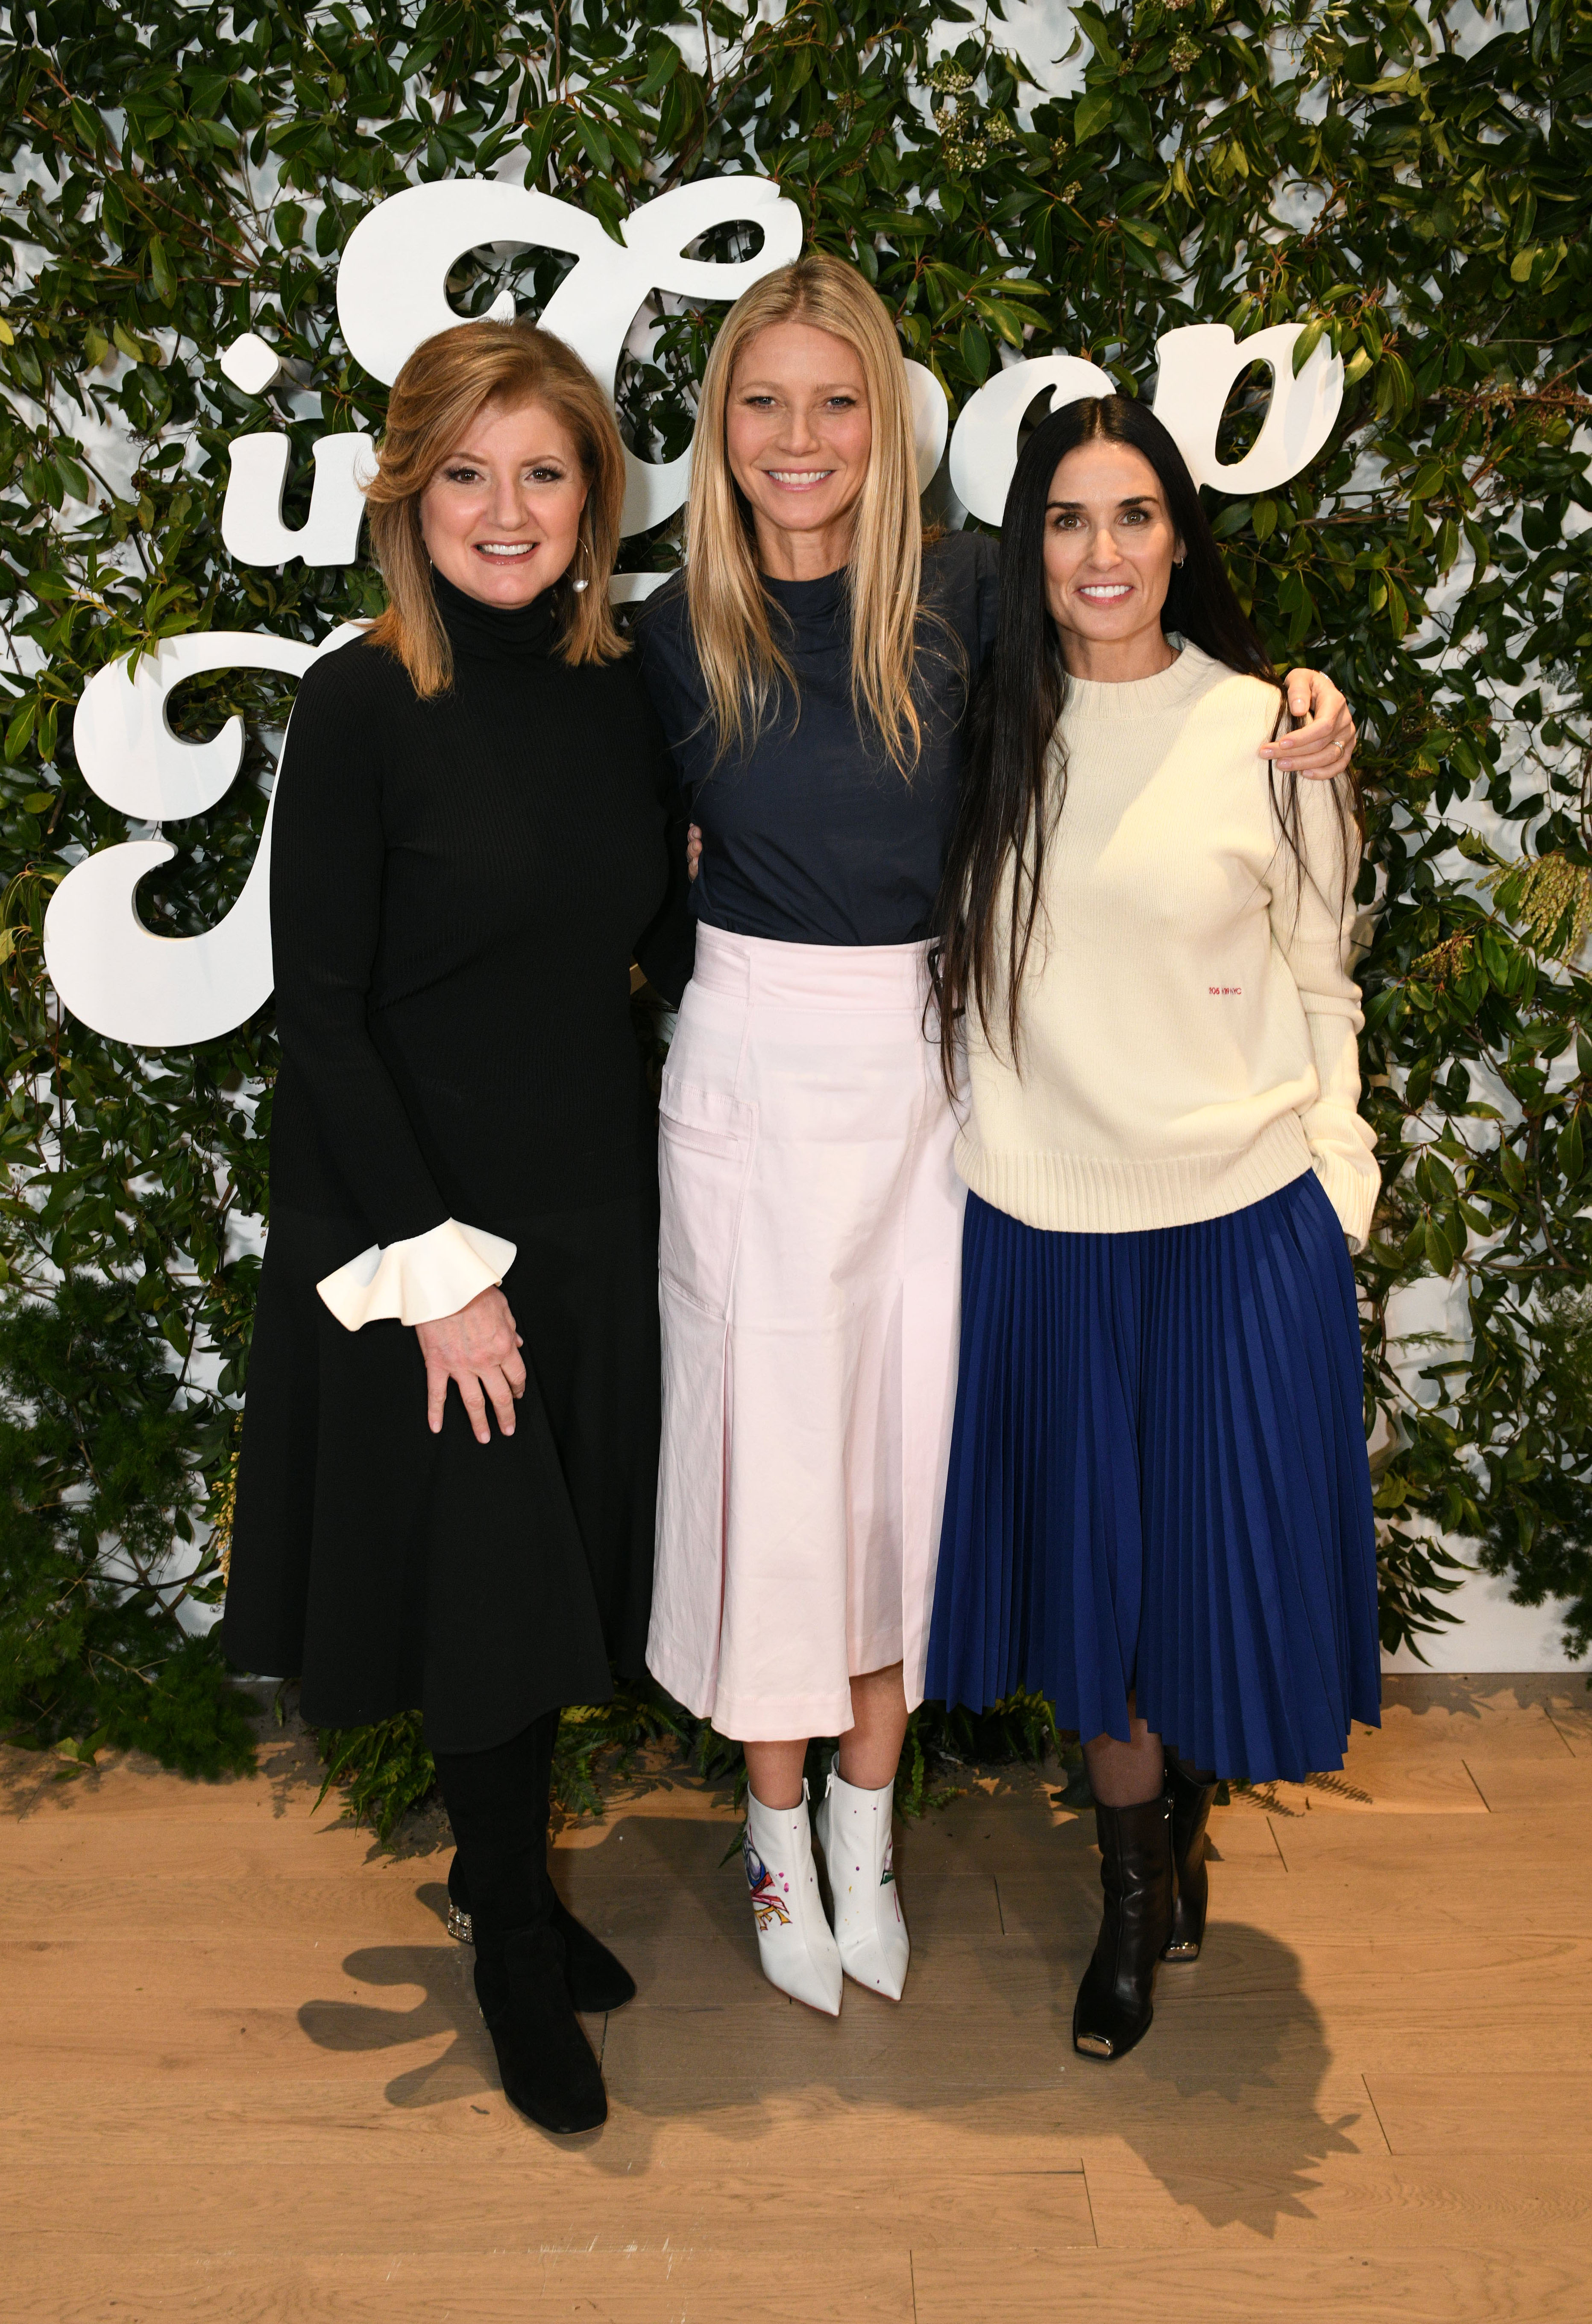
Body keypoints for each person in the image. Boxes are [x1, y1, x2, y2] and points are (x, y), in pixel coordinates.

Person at [636, 253, 1360, 2017]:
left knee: (897, 1479)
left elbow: (1162, 738)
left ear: (884, 424)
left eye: (835, 401)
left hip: (928, 1098)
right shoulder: (657, 631)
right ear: (719, 428)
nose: (800, 437)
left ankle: (874, 1838)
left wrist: (1302, 707)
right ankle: (772, 1839)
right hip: (752, 1082)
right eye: (762, 400)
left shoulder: (963, 598)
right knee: (766, 1482)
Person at [222, 318, 693, 2135]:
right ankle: (507, 1921)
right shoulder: (356, 704)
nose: (507, 510)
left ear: (595, 497)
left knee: (555, 1566)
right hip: (426, 1231)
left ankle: (512, 1876)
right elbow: (321, 1010)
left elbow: (635, 923)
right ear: (407, 494)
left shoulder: (622, 682)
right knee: (491, 1594)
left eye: (545, 471)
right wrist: (437, 1283)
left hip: (592, 1197)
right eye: (468, 474)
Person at [926, 392, 1381, 2064]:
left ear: (1180, 536)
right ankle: (1128, 1890)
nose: (1099, 551)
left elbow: (1324, 974)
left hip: (1235, 1218)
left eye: (1131, 515)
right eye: (1065, 518)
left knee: (1197, 1577)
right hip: (1040, 1225)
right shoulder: (978, 724)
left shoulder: (1269, 729)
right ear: (1025, 549)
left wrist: (1336, 1176)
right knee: (1099, 1598)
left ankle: (1178, 1816)